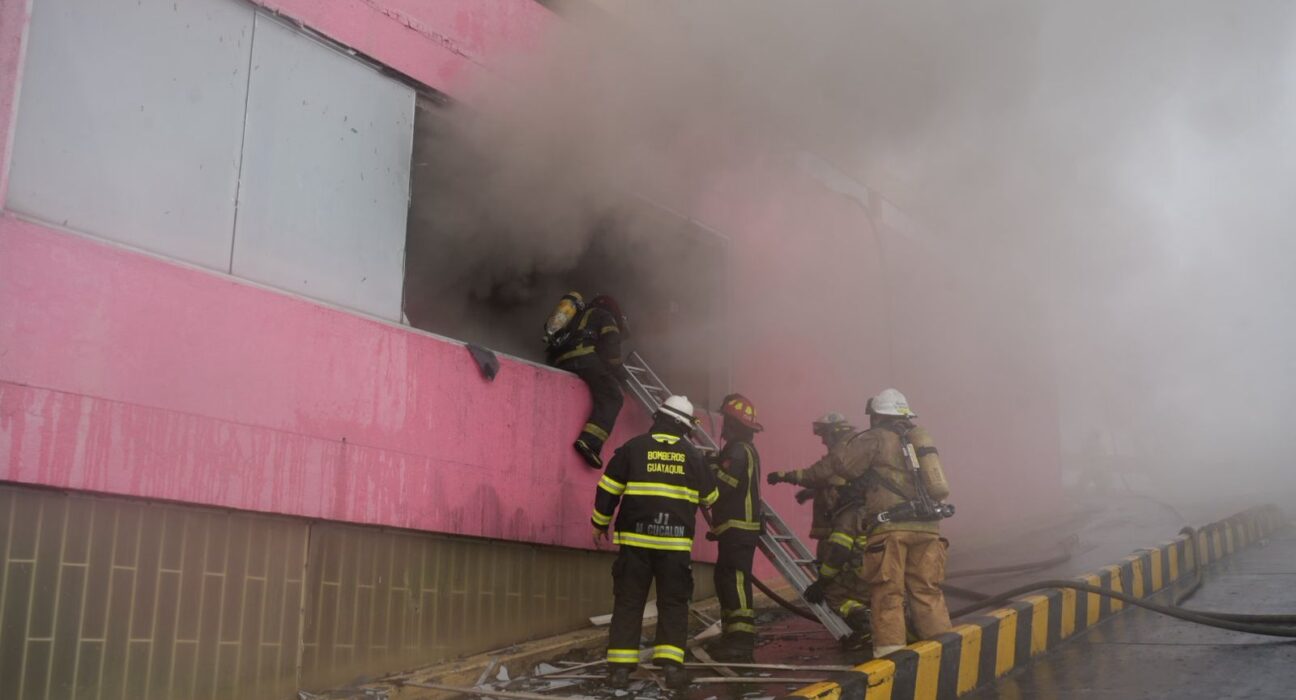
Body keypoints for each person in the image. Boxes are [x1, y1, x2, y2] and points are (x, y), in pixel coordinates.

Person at [767, 389, 952, 657]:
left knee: (888, 594)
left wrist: (844, 442)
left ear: (877, 416)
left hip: (892, 529)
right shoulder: (916, 440)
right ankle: (946, 653)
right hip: (928, 527)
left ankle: (892, 659)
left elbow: (843, 466)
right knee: (927, 592)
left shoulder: (875, 438)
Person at [591, 395, 719, 690]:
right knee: (673, 604)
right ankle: (672, 669)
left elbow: (608, 489)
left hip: (635, 544)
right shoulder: (693, 456)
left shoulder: (632, 449)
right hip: (674, 548)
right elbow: (711, 498)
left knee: (628, 603)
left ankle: (620, 672)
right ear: (684, 427)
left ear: (658, 418)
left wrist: (599, 524)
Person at [783, 412, 873, 645]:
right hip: (867, 558)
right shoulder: (856, 452)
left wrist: (786, 476)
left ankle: (864, 626)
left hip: (851, 554)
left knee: (833, 590)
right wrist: (812, 492)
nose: (823, 441)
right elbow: (829, 480)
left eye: (824, 435)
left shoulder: (844, 452)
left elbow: (821, 473)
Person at [706, 393, 765, 662]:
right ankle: (732, 636)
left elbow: (725, 485)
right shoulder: (743, 450)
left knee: (736, 580)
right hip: (734, 528)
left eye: (727, 422)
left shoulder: (738, 450)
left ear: (734, 424)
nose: (723, 427)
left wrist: (705, 470)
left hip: (738, 527)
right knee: (726, 579)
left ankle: (741, 641)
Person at [544, 292, 629, 469]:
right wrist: (619, 371)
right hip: (583, 358)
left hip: (561, 361)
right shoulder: (604, 316)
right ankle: (590, 442)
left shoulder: (577, 317)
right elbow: (611, 347)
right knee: (613, 396)